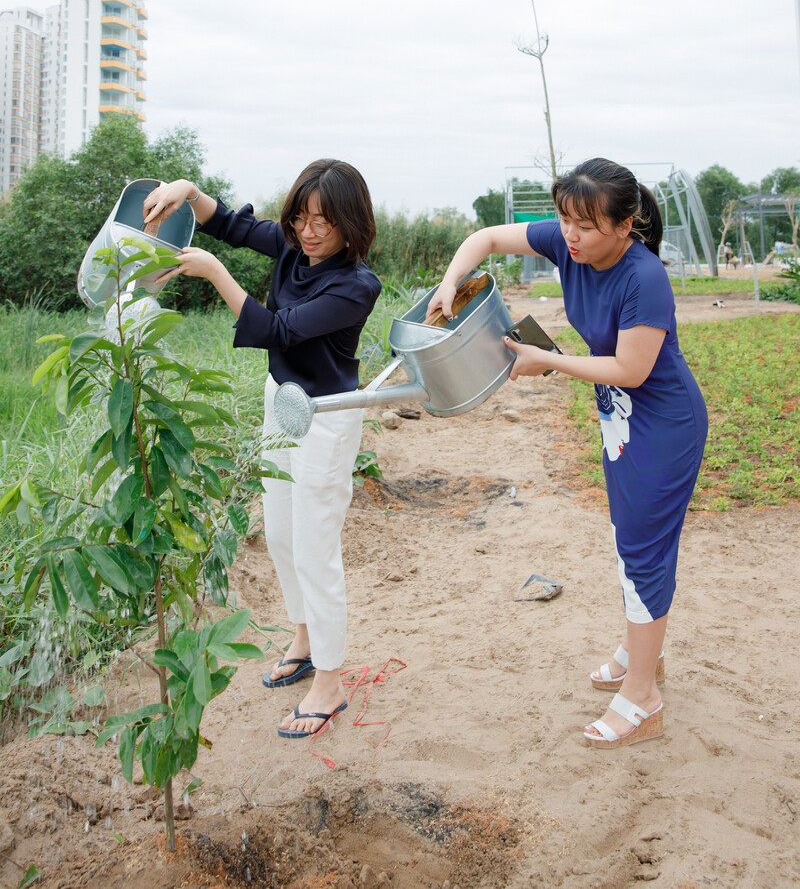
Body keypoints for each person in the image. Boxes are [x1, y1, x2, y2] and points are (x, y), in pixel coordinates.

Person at [428, 158, 707, 749]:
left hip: (663, 423)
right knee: (628, 541)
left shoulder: (644, 278)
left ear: (625, 226)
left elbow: (632, 368)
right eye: (564, 220)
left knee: (642, 550)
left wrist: (548, 360)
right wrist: (450, 281)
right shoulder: (571, 242)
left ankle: (643, 699)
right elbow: (484, 238)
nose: (569, 236)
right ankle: (643, 657)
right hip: (622, 421)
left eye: (585, 225)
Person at [142, 160, 381, 738]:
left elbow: (280, 331)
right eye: (300, 217)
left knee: (316, 545)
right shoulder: (293, 247)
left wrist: (214, 274)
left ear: (352, 223)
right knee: (280, 532)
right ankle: (303, 638)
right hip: (282, 399)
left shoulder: (355, 285)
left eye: (323, 220)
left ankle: (330, 681)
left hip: (324, 416)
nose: (309, 231)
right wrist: (190, 192)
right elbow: (228, 224)